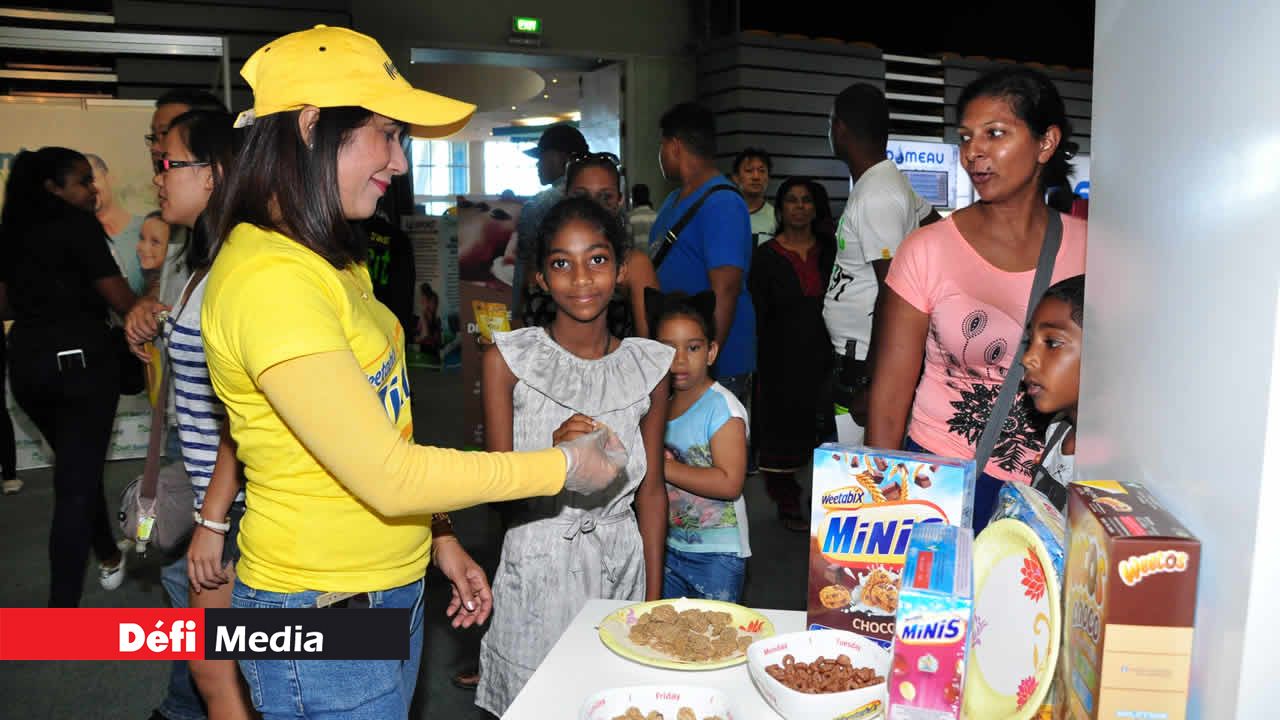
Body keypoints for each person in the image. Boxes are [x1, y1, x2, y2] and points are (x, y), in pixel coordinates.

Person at [199, 26, 625, 719]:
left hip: (380, 589)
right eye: (387, 133)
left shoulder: (332, 255)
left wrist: (440, 537)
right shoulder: (270, 280)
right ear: (312, 127)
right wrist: (562, 467)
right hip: (322, 608)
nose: (399, 161)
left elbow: (380, 430)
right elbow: (387, 474)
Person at [867, 67, 1087, 532]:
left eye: (996, 133)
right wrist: (879, 513)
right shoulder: (926, 249)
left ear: (1046, 143)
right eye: (966, 137)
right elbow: (888, 401)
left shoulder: (1092, 251)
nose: (974, 153)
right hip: (936, 480)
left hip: (1047, 487)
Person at [476, 196, 673, 716]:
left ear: (622, 268)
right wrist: (552, 457)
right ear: (540, 277)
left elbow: (651, 493)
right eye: (562, 263)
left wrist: (651, 604)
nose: (581, 278)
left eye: (598, 259)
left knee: (615, 702)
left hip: (619, 565)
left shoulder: (648, 367)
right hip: (535, 564)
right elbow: (498, 493)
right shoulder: (507, 362)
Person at [126, 108, 252, 720]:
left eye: (168, 163)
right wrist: (154, 323)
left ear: (214, 174)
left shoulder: (237, 268)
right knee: (223, 671)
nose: (158, 178)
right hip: (216, 493)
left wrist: (214, 519)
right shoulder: (206, 258)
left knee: (220, 674)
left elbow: (245, 414)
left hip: (235, 505)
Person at [0, 147, 136, 606]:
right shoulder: (76, 226)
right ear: (52, 188)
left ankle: (107, 554)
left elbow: (4, 305)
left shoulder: (10, 230)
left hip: (27, 365)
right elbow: (120, 299)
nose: (93, 189)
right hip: (81, 367)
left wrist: (43, 293)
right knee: (74, 483)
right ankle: (59, 615)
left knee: (78, 470)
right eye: (81, 181)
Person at [823, 83, 938, 446]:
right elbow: (937, 224)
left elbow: (890, 291)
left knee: (858, 477)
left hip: (865, 361)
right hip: (860, 355)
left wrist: (873, 381)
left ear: (839, 128)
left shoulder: (877, 194)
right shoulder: (887, 183)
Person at [651, 102, 756, 410]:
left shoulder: (721, 202)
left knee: (718, 454)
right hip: (681, 359)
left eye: (661, 145)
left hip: (716, 366)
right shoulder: (674, 200)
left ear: (674, 146)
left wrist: (707, 361)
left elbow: (726, 289)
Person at [649, 290, 750, 601]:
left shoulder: (722, 409)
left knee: (713, 640)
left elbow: (729, 483)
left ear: (711, 352)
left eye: (692, 348)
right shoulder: (660, 405)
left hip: (718, 553)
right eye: (668, 349)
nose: (680, 360)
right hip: (672, 546)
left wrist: (661, 466)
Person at [749, 177, 837, 531]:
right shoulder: (766, 256)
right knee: (781, 433)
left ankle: (831, 507)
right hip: (779, 359)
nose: (799, 207)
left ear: (815, 208)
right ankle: (787, 503)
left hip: (827, 356)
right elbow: (757, 311)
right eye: (791, 200)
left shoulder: (831, 250)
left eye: (806, 201)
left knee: (826, 432)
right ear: (780, 208)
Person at [564, 151, 661, 338]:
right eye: (582, 196)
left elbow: (651, 350)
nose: (593, 206)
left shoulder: (634, 265)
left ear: (619, 201)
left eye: (605, 197)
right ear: (565, 196)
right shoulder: (542, 257)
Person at [511, 123, 589, 318]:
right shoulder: (607, 200)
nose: (538, 164)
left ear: (563, 158)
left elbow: (525, 270)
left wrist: (517, 316)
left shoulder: (538, 206)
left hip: (547, 312)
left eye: (542, 156)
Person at [1022, 274, 1085, 504]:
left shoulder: (1117, 464)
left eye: (1052, 343)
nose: (1028, 358)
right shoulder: (1058, 431)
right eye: (1029, 343)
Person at [87, 153, 147, 294]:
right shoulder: (82, 242)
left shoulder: (148, 229)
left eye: (91, 179)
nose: (88, 189)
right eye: (82, 184)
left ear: (109, 178)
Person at [362, 206, 416, 334]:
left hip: (361, 316)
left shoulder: (356, 233)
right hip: (390, 319)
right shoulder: (400, 239)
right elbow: (405, 286)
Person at [732, 147, 775, 245]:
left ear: (768, 178)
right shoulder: (723, 213)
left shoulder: (776, 218)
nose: (756, 176)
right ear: (736, 178)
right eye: (749, 170)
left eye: (762, 171)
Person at [137, 210, 170, 291]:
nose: (144, 247)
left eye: (155, 242)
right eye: (142, 238)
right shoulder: (149, 279)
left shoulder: (170, 289)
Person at [627, 183, 657, 253]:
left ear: (634, 198)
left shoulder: (629, 218)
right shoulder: (656, 216)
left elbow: (628, 244)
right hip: (653, 260)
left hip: (637, 260)